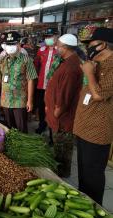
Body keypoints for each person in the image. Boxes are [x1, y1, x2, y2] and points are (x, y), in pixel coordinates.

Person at [73, 27, 113, 205]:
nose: (88, 49)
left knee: (93, 176)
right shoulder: (96, 63)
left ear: (103, 45)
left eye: (91, 45)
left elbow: (98, 95)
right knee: (83, 172)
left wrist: (89, 72)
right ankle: (84, 203)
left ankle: (95, 210)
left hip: (97, 131)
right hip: (83, 127)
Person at [44, 34, 83, 178]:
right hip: (58, 116)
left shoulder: (70, 68)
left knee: (62, 151)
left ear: (65, 48)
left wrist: (55, 113)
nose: (56, 47)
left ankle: (61, 178)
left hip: (62, 120)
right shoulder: (67, 62)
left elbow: (64, 97)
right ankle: (59, 173)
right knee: (59, 149)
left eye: (58, 45)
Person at [0, 31, 38, 133]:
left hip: (20, 101)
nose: (10, 47)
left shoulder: (26, 60)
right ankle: (13, 147)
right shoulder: (1, 61)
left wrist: (30, 100)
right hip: (6, 100)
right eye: (8, 44)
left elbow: (31, 80)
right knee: (9, 128)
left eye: (12, 44)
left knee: (21, 128)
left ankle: (22, 148)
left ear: (18, 44)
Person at [34, 28, 58, 134]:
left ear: (56, 36)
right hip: (41, 84)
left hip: (54, 86)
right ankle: (42, 125)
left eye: (50, 36)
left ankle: (53, 127)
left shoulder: (61, 51)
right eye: (47, 37)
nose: (48, 39)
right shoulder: (41, 50)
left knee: (52, 107)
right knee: (41, 105)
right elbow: (36, 65)